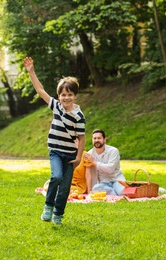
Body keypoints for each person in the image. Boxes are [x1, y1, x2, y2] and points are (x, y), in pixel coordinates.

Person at [23, 57, 85, 226]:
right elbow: (40, 90)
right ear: (59, 96)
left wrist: (79, 157)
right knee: (56, 177)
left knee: (65, 187)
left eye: (70, 95)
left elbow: (81, 138)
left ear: (75, 96)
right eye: (63, 95)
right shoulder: (56, 106)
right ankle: (48, 206)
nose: (66, 98)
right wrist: (31, 71)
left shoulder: (79, 116)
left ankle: (58, 213)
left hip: (71, 155)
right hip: (56, 151)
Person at [84, 129, 126, 195]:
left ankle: (116, 193)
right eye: (94, 138)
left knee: (123, 193)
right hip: (103, 184)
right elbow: (88, 173)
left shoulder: (113, 151)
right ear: (92, 140)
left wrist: (94, 162)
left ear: (104, 139)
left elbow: (110, 169)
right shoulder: (90, 154)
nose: (96, 140)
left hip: (117, 180)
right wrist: (89, 191)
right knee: (95, 188)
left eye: (99, 138)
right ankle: (115, 194)